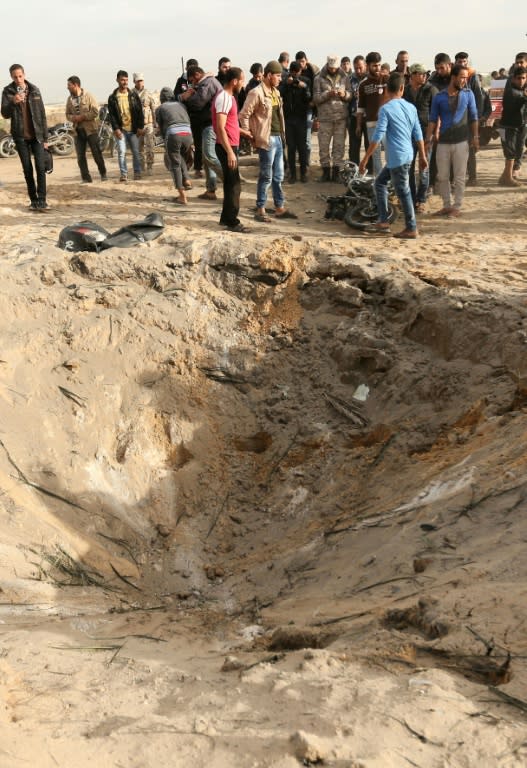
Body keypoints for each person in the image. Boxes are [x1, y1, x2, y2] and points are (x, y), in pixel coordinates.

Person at [359, 72, 427, 239]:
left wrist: (366, 158)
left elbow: (377, 135)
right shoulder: (411, 108)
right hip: (406, 155)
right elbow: (418, 133)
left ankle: (411, 227)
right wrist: (423, 156)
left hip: (397, 158)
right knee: (380, 183)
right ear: (402, 88)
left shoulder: (386, 109)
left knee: (403, 191)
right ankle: (383, 221)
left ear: (387, 90)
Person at [239, 60, 297, 223]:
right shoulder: (256, 93)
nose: (280, 79)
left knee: (278, 176)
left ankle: (279, 208)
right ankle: (261, 209)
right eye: (278, 76)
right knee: (266, 176)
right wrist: (250, 135)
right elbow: (243, 115)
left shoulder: (276, 93)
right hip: (266, 139)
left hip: (278, 137)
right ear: (269, 75)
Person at [426, 63, 479, 217]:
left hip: (462, 141)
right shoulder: (439, 97)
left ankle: (457, 207)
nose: (464, 81)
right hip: (443, 142)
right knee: (442, 176)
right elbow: (433, 119)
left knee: (460, 176)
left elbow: (474, 117)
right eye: (462, 78)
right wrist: (428, 139)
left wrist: (475, 137)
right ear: (453, 77)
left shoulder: (469, 94)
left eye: (466, 78)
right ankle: (447, 205)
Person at [1, 63, 49, 211]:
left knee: (40, 168)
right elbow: (5, 113)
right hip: (20, 136)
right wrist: (13, 102)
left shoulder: (35, 90)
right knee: (27, 169)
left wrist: (45, 138)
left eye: (20, 76)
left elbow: (42, 114)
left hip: (37, 135)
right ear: (11, 77)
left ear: (24, 75)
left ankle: (42, 200)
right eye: (15, 77)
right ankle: (33, 200)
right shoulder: (7, 92)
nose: (18, 79)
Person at [212, 67, 251, 232]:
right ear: (235, 81)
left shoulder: (230, 98)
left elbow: (231, 124)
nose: (243, 84)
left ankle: (225, 218)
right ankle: (232, 221)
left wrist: (244, 133)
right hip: (225, 146)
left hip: (230, 144)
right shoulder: (224, 98)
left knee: (230, 184)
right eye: (242, 80)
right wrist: (229, 152)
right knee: (235, 185)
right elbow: (220, 127)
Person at [179, 65, 223, 200]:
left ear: (198, 74)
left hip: (211, 124)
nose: (192, 83)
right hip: (206, 125)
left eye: (192, 80)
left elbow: (198, 103)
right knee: (206, 158)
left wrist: (187, 97)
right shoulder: (204, 83)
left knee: (209, 156)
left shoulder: (208, 83)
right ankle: (211, 190)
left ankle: (230, 180)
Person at [403, 63, 438, 210]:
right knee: (408, 168)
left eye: (425, 74)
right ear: (413, 75)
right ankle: (411, 198)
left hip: (426, 133)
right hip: (408, 134)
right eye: (421, 73)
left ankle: (421, 199)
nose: (424, 76)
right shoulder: (405, 91)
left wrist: (436, 132)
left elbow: (437, 113)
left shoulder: (431, 90)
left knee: (424, 167)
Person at [313, 55, 352, 182]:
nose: (333, 70)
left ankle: (336, 173)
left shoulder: (345, 77)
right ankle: (325, 172)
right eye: (331, 68)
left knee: (339, 147)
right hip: (325, 118)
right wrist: (328, 94)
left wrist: (344, 94)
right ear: (328, 65)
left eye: (335, 68)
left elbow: (350, 95)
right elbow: (316, 99)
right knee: (324, 147)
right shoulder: (318, 79)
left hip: (341, 118)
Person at [66, 75, 107, 183]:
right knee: (80, 156)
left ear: (76, 85)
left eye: (69, 85)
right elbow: (67, 114)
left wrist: (83, 117)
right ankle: (86, 178)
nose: (67, 87)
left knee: (96, 153)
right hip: (77, 131)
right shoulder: (69, 99)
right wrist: (73, 118)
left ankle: (103, 173)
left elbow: (95, 112)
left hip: (90, 130)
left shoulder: (88, 96)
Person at [156, 87, 192, 205]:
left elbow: (161, 127)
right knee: (180, 156)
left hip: (174, 134)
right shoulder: (182, 105)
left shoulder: (160, 108)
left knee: (175, 164)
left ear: (162, 98)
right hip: (188, 134)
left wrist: (165, 140)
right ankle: (186, 179)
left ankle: (182, 196)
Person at [107, 70, 144, 182]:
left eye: (126, 80)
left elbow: (139, 112)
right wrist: (116, 129)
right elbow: (112, 115)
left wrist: (140, 127)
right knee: (122, 152)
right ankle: (124, 174)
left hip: (133, 130)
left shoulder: (133, 95)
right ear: (117, 80)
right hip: (121, 130)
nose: (125, 82)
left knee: (135, 152)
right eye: (123, 80)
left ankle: (137, 173)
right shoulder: (113, 97)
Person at [356, 52, 389, 177]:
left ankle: (391, 181)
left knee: (390, 153)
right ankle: (381, 181)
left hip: (388, 124)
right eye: (374, 66)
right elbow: (360, 107)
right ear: (368, 65)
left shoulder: (387, 79)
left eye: (379, 65)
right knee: (375, 155)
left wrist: (389, 76)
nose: (378, 68)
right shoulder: (363, 84)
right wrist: (359, 125)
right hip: (371, 125)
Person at [454, 52, 483, 185]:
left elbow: (478, 98)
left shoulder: (473, 77)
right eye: (460, 61)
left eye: (464, 61)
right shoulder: (453, 76)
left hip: (469, 118)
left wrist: (477, 117)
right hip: (455, 119)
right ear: (456, 62)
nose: (462, 64)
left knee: (470, 148)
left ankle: (473, 177)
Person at [279, 60, 311, 183]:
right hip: (288, 119)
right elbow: (279, 93)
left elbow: (309, 99)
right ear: (290, 72)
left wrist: (304, 87)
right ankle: (292, 174)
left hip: (301, 118)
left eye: (297, 73)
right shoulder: (285, 81)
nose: (295, 76)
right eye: (293, 73)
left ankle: (304, 173)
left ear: (300, 71)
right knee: (291, 148)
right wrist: (286, 84)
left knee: (302, 147)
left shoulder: (306, 81)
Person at [498, 65, 527, 186]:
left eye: (523, 78)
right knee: (510, 152)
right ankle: (508, 178)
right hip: (508, 126)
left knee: (516, 151)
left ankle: (505, 177)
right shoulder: (511, 91)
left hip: (520, 126)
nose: (521, 80)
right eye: (519, 78)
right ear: (513, 79)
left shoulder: (522, 91)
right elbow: (516, 100)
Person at [133, 73, 157, 176]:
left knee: (150, 146)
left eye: (141, 80)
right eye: (138, 81)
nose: (140, 82)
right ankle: (141, 166)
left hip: (148, 124)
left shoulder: (148, 93)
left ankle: (150, 166)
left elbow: (153, 108)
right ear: (134, 81)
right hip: (137, 125)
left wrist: (156, 122)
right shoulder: (131, 93)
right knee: (139, 147)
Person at [348, 55, 368, 165]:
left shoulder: (371, 79)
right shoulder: (350, 79)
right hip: (354, 116)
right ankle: (353, 171)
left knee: (369, 146)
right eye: (356, 68)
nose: (358, 70)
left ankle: (369, 172)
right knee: (354, 147)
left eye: (360, 67)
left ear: (365, 65)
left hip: (368, 117)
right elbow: (346, 96)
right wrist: (351, 95)